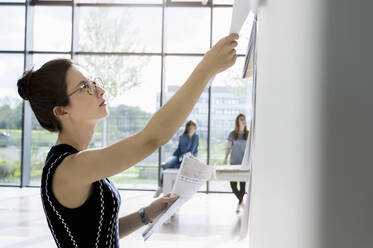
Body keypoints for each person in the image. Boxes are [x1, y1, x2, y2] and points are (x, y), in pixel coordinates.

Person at [16, 33, 239, 247]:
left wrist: (146, 214)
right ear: (62, 111)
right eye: (86, 87)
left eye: (94, 82)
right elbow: (151, 139)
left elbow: (94, 233)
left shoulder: (73, 163)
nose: (101, 90)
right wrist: (206, 69)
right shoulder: (68, 168)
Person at [154, 120, 199, 198]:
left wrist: (194, 158)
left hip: (189, 158)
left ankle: (179, 191)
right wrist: (189, 136)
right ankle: (161, 186)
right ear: (188, 127)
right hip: (178, 156)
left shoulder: (196, 137)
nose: (193, 128)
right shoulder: (183, 137)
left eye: (194, 126)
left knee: (182, 169)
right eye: (192, 126)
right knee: (167, 166)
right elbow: (183, 151)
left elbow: (194, 150)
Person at [223, 114, 248, 214]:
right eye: (241, 119)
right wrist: (225, 159)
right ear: (237, 121)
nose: (243, 121)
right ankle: (241, 202)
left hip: (243, 163)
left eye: (244, 119)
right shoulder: (232, 134)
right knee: (233, 186)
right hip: (234, 162)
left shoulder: (248, 134)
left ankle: (239, 204)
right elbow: (228, 147)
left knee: (242, 186)